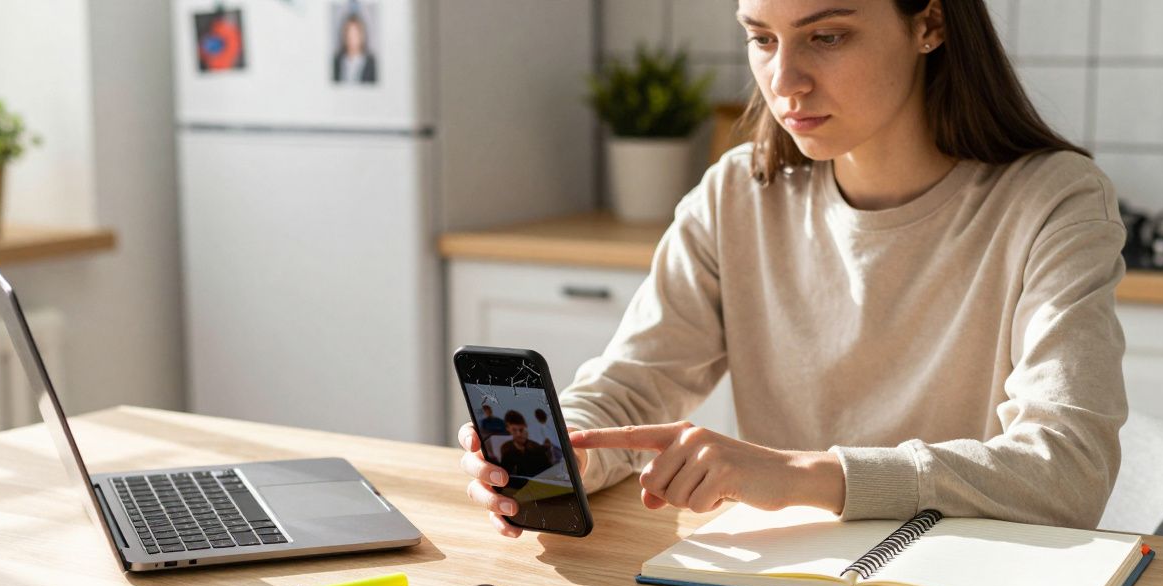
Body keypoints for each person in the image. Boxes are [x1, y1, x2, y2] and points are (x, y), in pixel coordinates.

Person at [459, 0, 1128, 539]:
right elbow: (632, 389)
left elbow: (1065, 470)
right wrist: (566, 452)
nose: (784, 82)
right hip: (784, 584)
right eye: (762, 39)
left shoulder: (1053, 200)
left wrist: (802, 475)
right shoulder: (737, 195)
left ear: (930, 23)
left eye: (827, 36)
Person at [497, 410, 553, 479]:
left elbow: (548, 470)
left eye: (521, 430)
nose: (518, 434)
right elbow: (506, 474)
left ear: (525, 427)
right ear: (508, 429)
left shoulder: (535, 447)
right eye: (514, 430)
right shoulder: (506, 448)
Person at [332, 11, 377, 84]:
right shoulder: (336, 62)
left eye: (355, 34)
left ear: (362, 36)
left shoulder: (372, 64)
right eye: (348, 33)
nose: (351, 38)